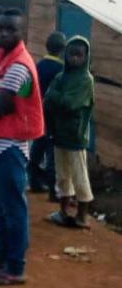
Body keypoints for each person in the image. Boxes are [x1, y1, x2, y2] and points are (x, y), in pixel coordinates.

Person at [0, 9, 44, 286]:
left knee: (13, 206)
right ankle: (1, 252)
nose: (3, 33)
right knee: (1, 203)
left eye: (10, 30)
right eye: (0, 28)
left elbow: (0, 106)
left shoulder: (18, 65)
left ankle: (15, 266)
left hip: (11, 143)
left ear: (22, 33)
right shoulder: (0, 58)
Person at [44, 36, 95, 229]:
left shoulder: (85, 80)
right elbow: (47, 101)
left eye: (79, 55)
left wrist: (56, 97)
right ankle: (63, 211)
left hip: (75, 135)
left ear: (86, 57)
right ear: (65, 54)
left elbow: (70, 104)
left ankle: (82, 216)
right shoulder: (61, 76)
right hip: (58, 133)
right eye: (71, 54)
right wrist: (57, 99)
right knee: (62, 175)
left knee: (79, 176)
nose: (74, 58)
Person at [29, 31, 66, 197]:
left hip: (38, 112)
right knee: (52, 152)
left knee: (37, 147)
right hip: (54, 115)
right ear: (63, 49)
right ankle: (53, 189)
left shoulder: (39, 65)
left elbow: (29, 89)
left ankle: (34, 182)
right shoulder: (62, 69)